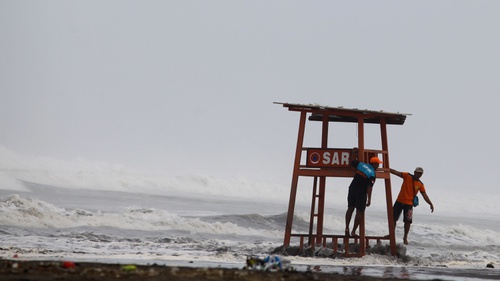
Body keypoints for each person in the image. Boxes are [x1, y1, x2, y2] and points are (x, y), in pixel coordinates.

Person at [390, 167, 434, 245]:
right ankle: (391, 234)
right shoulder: (407, 176)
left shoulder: (420, 184)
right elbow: (397, 172)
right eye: (418, 173)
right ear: (414, 172)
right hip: (399, 201)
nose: (419, 175)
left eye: (420, 174)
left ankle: (405, 237)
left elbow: (424, 195)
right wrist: (388, 169)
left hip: (409, 204)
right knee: (393, 218)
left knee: (408, 222)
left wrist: (430, 203)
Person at [345, 147, 382, 237]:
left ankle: (346, 228)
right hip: (361, 192)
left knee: (350, 208)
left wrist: (353, 153)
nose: (378, 166)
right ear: (374, 164)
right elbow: (369, 187)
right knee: (360, 212)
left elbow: (352, 162)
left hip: (352, 188)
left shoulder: (361, 165)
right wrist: (369, 200)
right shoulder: (372, 174)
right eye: (377, 164)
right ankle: (353, 231)